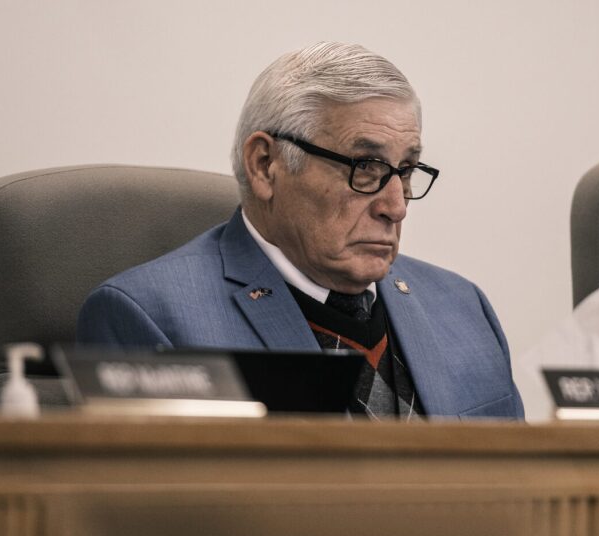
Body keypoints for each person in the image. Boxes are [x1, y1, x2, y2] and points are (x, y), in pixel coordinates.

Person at [77, 41, 524, 419]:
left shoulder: (463, 308)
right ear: (265, 165)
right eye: (365, 167)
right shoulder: (152, 319)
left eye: (405, 170)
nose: (395, 207)